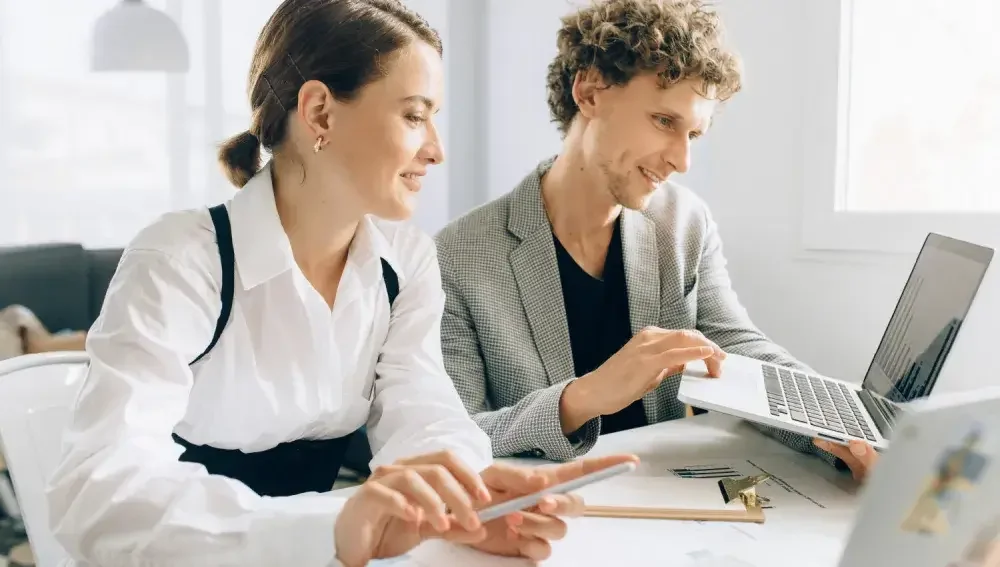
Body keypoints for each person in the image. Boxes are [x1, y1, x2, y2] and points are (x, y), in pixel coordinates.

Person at [45, 1, 635, 566]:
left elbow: (423, 412)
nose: (437, 150)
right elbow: (95, 490)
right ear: (320, 112)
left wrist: (467, 494)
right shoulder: (181, 259)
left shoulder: (404, 263)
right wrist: (329, 528)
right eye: (414, 114)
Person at [435, 0, 877, 481]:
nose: (681, 160)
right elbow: (453, 438)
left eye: (694, 134)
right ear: (588, 92)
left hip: (661, 501)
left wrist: (846, 427)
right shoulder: (459, 255)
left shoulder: (683, 221)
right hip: (538, 516)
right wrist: (583, 396)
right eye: (664, 122)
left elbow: (737, 346)